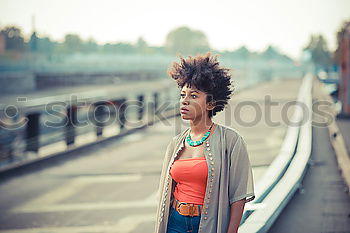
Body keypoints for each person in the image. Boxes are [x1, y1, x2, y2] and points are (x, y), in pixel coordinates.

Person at [154, 52, 255, 233]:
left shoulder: (231, 141)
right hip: (175, 223)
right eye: (183, 95)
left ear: (210, 104)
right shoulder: (176, 143)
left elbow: (238, 197)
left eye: (193, 96)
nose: (184, 101)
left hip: (209, 223)